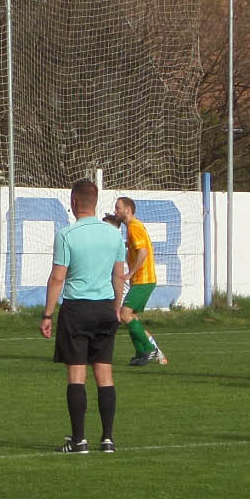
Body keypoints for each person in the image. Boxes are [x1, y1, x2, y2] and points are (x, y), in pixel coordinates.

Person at [39, 178, 127, 452]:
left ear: (74, 201)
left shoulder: (67, 235)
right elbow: (118, 275)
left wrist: (47, 314)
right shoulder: (114, 235)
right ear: (96, 203)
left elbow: (57, 278)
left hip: (77, 308)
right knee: (105, 373)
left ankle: (78, 440)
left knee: (77, 374)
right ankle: (108, 438)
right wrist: (116, 307)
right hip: (105, 308)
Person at [115, 196, 167, 367]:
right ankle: (142, 352)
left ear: (128, 210)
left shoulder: (134, 227)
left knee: (124, 314)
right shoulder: (134, 226)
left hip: (144, 279)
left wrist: (130, 273)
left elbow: (143, 252)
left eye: (118, 208)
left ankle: (149, 349)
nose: (115, 211)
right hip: (142, 279)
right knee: (131, 317)